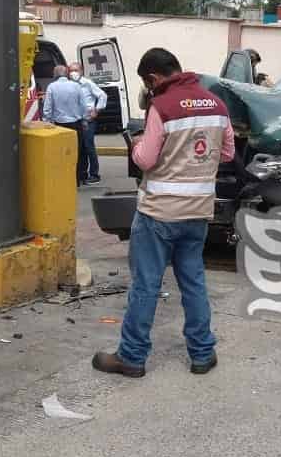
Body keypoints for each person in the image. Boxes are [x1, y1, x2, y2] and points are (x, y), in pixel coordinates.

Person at [91, 48, 235, 378]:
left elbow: (144, 160)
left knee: (146, 285)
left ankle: (131, 357)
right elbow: (227, 153)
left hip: (158, 213)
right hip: (197, 212)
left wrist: (137, 143)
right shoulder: (216, 104)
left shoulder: (162, 107)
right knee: (194, 282)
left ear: (153, 78)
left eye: (148, 83)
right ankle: (202, 354)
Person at [42, 64, 94, 186]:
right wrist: (85, 120)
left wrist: (47, 121)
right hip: (76, 125)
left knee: (61, 154)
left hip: (59, 126)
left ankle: (63, 180)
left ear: (55, 74)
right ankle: (77, 179)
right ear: (66, 74)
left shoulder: (51, 87)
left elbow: (48, 108)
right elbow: (83, 106)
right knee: (77, 152)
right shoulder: (76, 86)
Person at [70, 62, 106, 184]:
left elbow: (102, 95)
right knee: (81, 148)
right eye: (71, 70)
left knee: (89, 147)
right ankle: (83, 174)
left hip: (88, 120)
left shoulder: (87, 83)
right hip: (77, 120)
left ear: (82, 71)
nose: (73, 73)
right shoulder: (70, 85)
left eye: (76, 70)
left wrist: (97, 109)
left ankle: (94, 174)